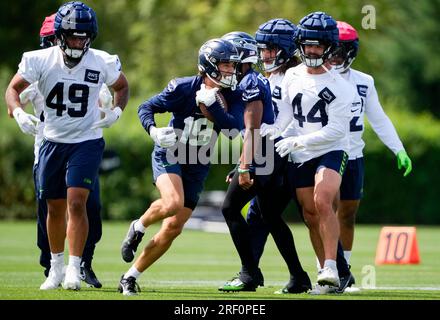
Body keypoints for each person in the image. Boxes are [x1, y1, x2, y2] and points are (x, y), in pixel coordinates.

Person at [5, 1, 129, 291]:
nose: (78, 41)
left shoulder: (102, 60)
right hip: (51, 140)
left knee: (77, 202)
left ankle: (75, 267)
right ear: (60, 35)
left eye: (83, 36)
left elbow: (122, 86)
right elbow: (12, 89)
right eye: (73, 36)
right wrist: (19, 113)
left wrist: (117, 112)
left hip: (86, 140)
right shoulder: (39, 59)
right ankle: (55, 268)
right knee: (54, 207)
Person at [118, 38, 244, 296]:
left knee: (174, 227)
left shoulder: (232, 95)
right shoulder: (183, 87)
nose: (231, 70)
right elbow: (146, 107)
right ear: (209, 65)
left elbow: (232, 131)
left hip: (198, 163)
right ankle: (138, 226)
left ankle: (130, 276)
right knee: (173, 202)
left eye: (233, 65)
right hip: (172, 151)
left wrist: (212, 106)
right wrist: (153, 131)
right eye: (225, 65)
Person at [217, 30, 311, 294]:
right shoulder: (255, 80)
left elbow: (253, 129)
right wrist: (241, 164)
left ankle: (249, 273)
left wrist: (245, 165)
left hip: (266, 152)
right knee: (270, 216)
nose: (225, 65)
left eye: (228, 58)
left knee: (229, 208)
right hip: (271, 153)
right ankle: (299, 276)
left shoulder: (250, 82)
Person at [269, 11, 355, 289]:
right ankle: (326, 274)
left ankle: (331, 265)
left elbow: (336, 131)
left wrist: (297, 141)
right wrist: (274, 133)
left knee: (323, 198)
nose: (312, 50)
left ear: (329, 46)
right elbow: (285, 116)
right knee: (309, 214)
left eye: (318, 44)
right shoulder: (291, 75)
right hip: (301, 152)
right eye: (307, 44)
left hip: (331, 148)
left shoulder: (340, 86)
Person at [331, 21, 412, 268]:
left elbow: (379, 118)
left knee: (347, 214)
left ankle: (345, 267)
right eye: (330, 48)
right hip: (325, 153)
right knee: (326, 212)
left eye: (339, 50)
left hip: (354, 154)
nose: (334, 56)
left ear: (351, 52)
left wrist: (398, 148)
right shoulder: (309, 77)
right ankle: (329, 268)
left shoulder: (363, 81)